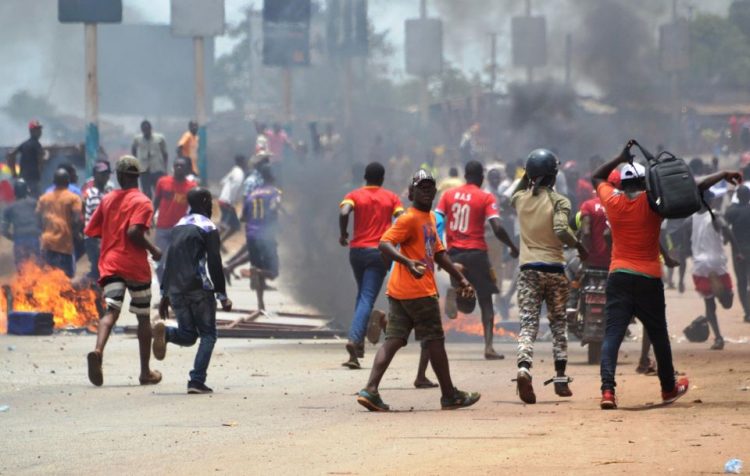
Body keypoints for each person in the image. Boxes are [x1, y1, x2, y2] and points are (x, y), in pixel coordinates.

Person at [591, 140, 740, 409]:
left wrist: (619, 157)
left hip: (619, 276)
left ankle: (607, 392)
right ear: (646, 183)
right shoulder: (654, 203)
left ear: (622, 185)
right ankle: (668, 388)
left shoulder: (612, 201)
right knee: (658, 334)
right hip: (648, 277)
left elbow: (597, 176)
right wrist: (723, 175)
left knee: (612, 334)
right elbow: (692, 188)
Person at [356, 170, 480, 412]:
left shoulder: (430, 218)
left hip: (400, 293)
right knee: (435, 341)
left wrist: (461, 279)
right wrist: (408, 262)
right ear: (411, 192)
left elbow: (439, 253)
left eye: (429, 187)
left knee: (393, 340)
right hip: (418, 292)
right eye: (420, 187)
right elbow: (384, 243)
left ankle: (370, 390)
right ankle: (449, 395)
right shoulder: (408, 218)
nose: (426, 191)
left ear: (435, 191)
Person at [511, 149, 587, 404]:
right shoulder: (560, 201)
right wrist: (578, 245)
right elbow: (560, 229)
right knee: (558, 325)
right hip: (554, 268)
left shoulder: (520, 199)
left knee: (528, 324)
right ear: (554, 176)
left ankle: (524, 368)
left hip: (528, 270)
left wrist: (530, 176)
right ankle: (561, 379)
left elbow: (514, 191)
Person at [84, 155, 163, 387]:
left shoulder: (107, 199)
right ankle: (145, 372)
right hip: (135, 266)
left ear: (118, 176)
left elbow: (92, 230)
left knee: (111, 311)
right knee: (143, 318)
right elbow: (134, 233)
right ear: (137, 177)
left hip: (110, 263)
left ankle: (98, 351)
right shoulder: (143, 201)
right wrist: (153, 249)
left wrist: (111, 234)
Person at [435, 160, 519, 360]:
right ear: (481, 177)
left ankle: (456, 289)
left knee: (465, 302)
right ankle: (489, 347)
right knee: (485, 300)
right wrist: (512, 246)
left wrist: (438, 250)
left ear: (465, 175)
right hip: (477, 254)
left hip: (454, 254)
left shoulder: (448, 195)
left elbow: (437, 220)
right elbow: (497, 227)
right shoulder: (485, 197)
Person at [152, 188, 233, 394]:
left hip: (176, 290)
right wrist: (222, 295)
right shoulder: (208, 227)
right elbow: (214, 262)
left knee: (188, 335)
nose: (212, 205)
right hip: (199, 288)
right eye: (210, 201)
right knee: (208, 334)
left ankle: (167, 334)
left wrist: (164, 294)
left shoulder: (178, 226)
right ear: (205, 201)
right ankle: (196, 380)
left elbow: (169, 260)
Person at [339, 162, 404, 369]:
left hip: (357, 251)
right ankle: (354, 339)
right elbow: (401, 218)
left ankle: (357, 347)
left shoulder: (354, 195)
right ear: (382, 178)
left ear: (365, 177)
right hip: (379, 253)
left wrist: (343, 234)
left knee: (363, 295)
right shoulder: (391, 197)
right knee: (367, 297)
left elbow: (344, 212)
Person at [687, 190, 737, 350]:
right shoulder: (715, 215)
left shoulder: (690, 219)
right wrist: (736, 249)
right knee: (728, 304)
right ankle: (724, 295)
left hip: (700, 266)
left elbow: (684, 242)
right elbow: (727, 230)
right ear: (711, 201)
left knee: (709, 306)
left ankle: (718, 338)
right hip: (717, 264)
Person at [153, 157, 197, 284]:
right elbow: (155, 202)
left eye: (181, 165)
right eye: (176, 165)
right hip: (162, 228)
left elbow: (195, 207)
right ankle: (164, 294)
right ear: (173, 167)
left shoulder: (191, 187)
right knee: (159, 263)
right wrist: (149, 217)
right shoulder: (163, 182)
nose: (178, 168)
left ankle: (175, 293)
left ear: (187, 169)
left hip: (180, 230)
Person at [243, 164, 281, 310]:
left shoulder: (252, 193)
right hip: (266, 235)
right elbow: (274, 208)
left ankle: (260, 304)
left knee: (256, 265)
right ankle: (258, 272)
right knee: (273, 272)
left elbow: (244, 216)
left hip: (251, 234)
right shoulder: (274, 192)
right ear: (272, 176)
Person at [36, 168, 82, 278]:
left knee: (48, 277)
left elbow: (37, 217)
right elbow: (77, 219)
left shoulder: (44, 198)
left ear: (54, 182)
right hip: (64, 243)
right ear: (68, 182)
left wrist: (43, 230)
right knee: (67, 277)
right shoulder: (74, 198)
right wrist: (76, 233)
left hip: (47, 243)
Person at [82, 160, 113, 281]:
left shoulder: (105, 192)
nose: (105, 177)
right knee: (97, 270)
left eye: (106, 174)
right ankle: (88, 291)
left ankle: (96, 295)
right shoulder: (93, 194)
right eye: (102, 174)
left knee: (101, 269)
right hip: (94, 239)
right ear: (95, 175)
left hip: (102, 238)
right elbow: (98, 219)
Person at [2, 179, 41, 268]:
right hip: (34, 238)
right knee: (37, 266)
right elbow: (42, 220)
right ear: (27, 191)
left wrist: (13, 237)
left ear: (15, 192)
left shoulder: (9, 208)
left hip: (19, 240)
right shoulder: (34, 203)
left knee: (21, 268)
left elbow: (3, 230)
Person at [725, 185, 750, 323]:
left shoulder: (731, 211)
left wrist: (724, 240)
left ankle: (747, 312)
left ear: (738, 196)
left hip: (738, 252)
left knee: (741, 282)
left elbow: (724, 229)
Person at [6, 120, 45, 197]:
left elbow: (11, 154)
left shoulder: (25, 144)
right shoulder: (37, 145)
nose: (39, 132)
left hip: (22, 179)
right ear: (31, 131)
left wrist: (14, 173)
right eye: (37, 129)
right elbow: (41, 162)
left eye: (39, 129)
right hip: (33, 180)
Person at [132, 120, 168, 199]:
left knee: (159, 192)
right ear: (142, 130)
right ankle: (148, 209)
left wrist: (165, 168)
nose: (146, 131)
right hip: (144, 170)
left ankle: (158, 209)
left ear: (151, 129)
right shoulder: (137, 139)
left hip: (157, 169)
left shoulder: (159, 138)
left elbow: (165, 153)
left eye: (147, 129)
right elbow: (133, 150)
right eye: (144, 130)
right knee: (146, 193)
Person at [217, 154, 248, 245]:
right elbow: (235, 187)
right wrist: (231, 201)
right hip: (227, 202)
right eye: (245, 162)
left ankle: (219, 242)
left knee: (235, 226)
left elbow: (222, 182)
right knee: (224, 225)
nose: (246, 164)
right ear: (242, 162)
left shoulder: (234, 171)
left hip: (223, 199)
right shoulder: (240, 173)